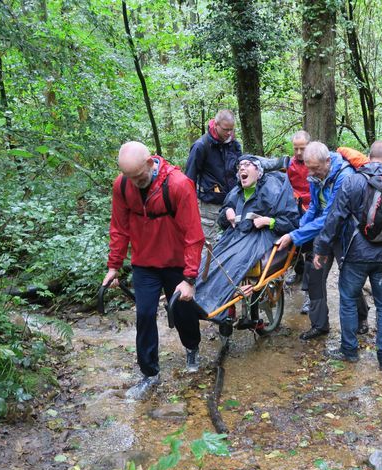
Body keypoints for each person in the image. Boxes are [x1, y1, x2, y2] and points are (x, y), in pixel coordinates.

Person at [103, 141, 205, 400]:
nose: (135, 182)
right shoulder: (123, 185)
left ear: (150, 163)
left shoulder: (180, 185)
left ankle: (192, 347)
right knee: (145, 315)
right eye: (129, 177)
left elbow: (194, 235)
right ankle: (149, 374)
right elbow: (119, 227)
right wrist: (114, 266)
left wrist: (190, 278)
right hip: (144, 264)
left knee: (183, 312)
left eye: (138, 176)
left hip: (176, 263)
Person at [313, 141, 382, 373]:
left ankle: (350, 352)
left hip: (355, 255)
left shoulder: (353, 180)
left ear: (369, 157)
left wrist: (322, 249)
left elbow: (335, 217)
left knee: (348, 301)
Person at [276, 141, 369, 340]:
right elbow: (314, 208)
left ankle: (362, 318)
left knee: (350, 279)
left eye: (315, 168)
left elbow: (330, 216)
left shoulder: (345, 177)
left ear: (327, 161)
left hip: (346, 234)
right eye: (309, 168)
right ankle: (319, 325)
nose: (311, 173)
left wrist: (295, 236)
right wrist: (299, 228)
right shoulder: (314, 173)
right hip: (325, 234)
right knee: (315, 276)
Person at [194, 155, 299, 323]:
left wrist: (268, 221)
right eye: (240, 166)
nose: (242, 168)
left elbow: (291, 221)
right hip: (236, 237)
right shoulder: (235, 192)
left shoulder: (273, 190)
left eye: (247, 165)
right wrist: (226, 212)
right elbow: (223, 221)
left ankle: (216, 306)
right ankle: (196, 296)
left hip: (259, 238)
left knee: (234, 263)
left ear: (259, 171)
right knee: (211, 260)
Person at [185, 109, 243, 244]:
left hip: (233, 204)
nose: (229, 133)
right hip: (209, 206)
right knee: (207, 245)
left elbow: (240, 169)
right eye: (225, 129)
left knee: (231, 243)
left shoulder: (234, 144)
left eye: (231, 129)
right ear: (216, 125)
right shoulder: (201, 146)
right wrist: (190, 207)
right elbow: (189, 179)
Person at [284, 130, 313, 315]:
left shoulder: (315, 162)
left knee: (311, 252)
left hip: (312, 212)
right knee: (291, 247)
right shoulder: (290, 165)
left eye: (302, 148)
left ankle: (310, 294)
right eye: (296, 148)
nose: (299, 152)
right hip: (294, 209)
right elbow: (286, 186)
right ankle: (299, 271)